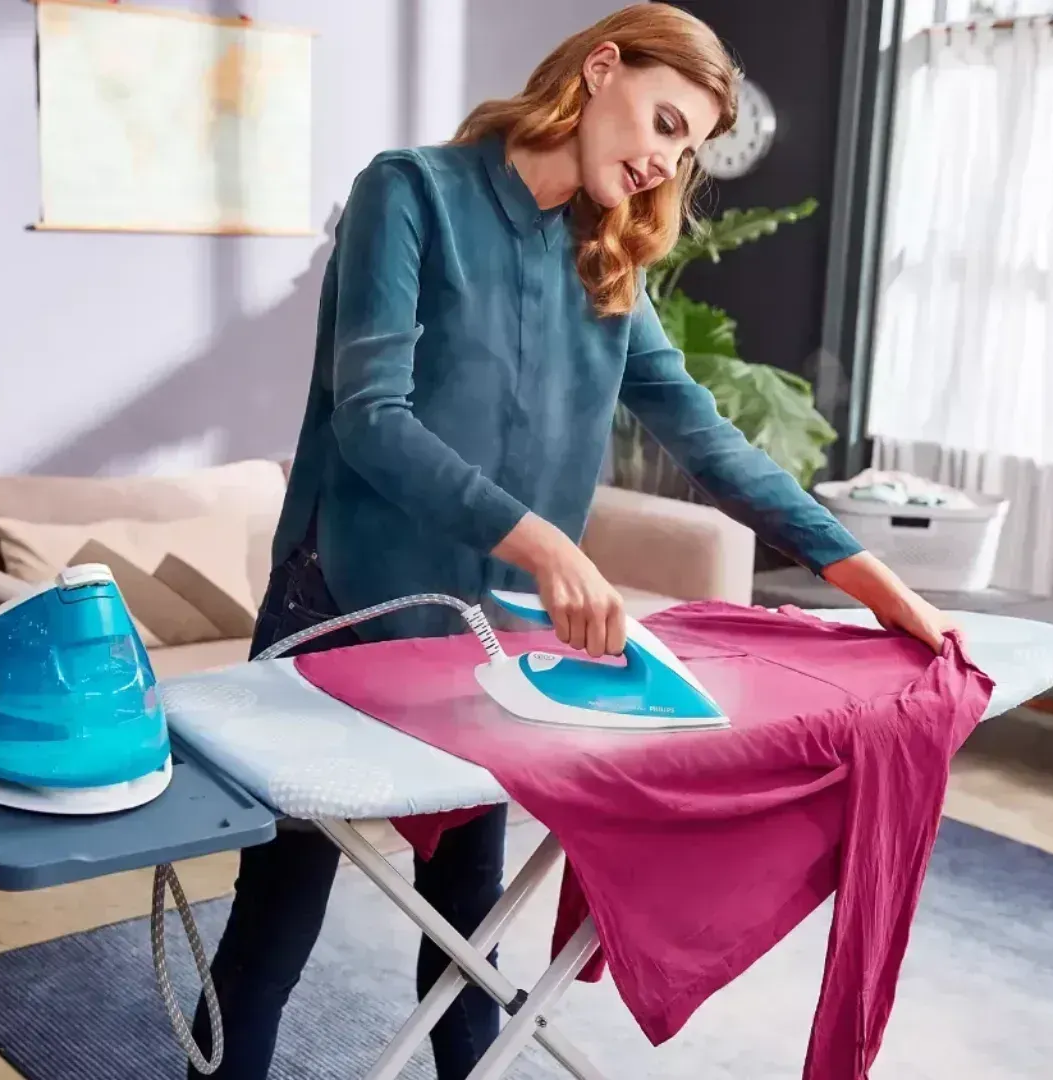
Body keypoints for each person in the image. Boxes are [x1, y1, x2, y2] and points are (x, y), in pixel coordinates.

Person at [187, 5, 955, 1078]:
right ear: (600, 69)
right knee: (275, 925)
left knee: (467, 930)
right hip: (345, 609)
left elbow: (706, 437)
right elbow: (371, 420)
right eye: (662, 120)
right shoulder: (407, 195)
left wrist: (865, 576)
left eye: (684, 150)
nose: (662, 161)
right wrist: (547, 545)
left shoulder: (603, 262)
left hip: (486, 642)